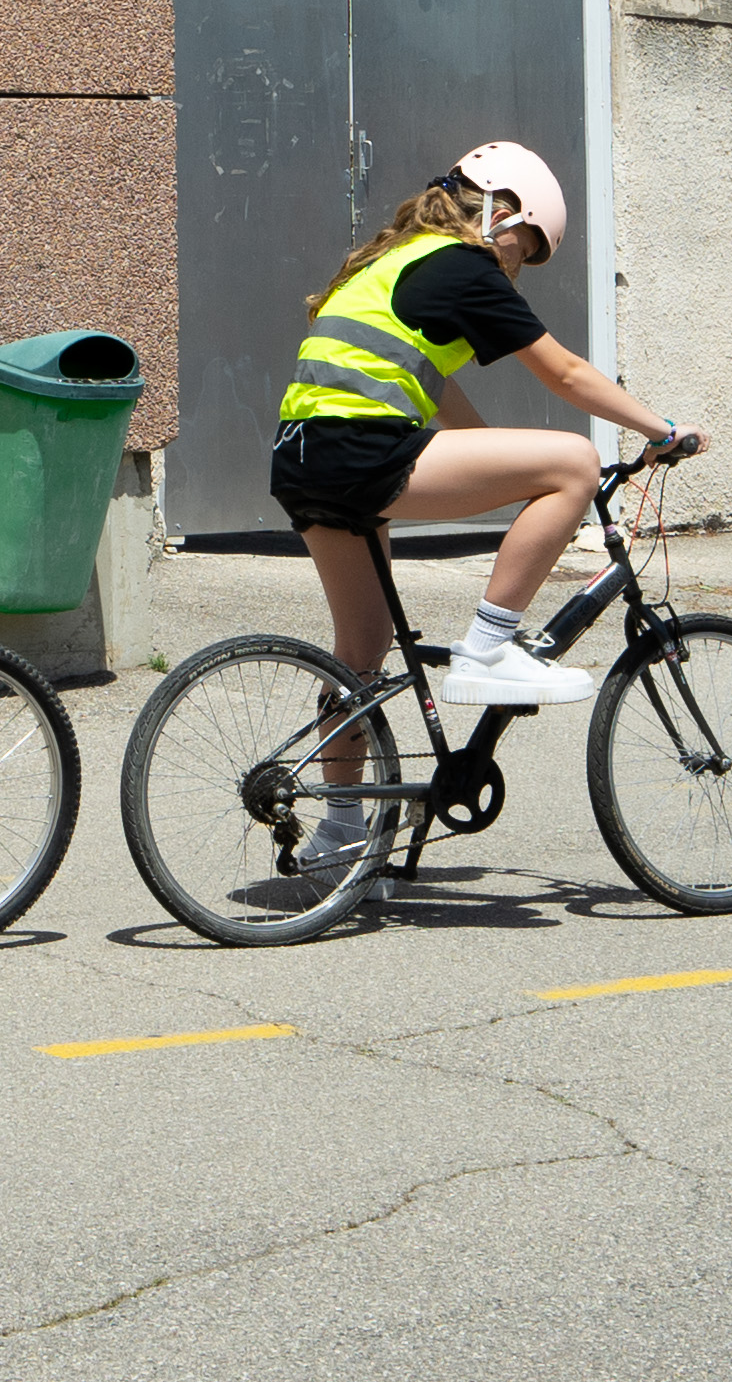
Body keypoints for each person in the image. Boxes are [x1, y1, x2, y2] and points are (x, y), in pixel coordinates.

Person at [267, 145, 681, 875]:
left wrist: (495, 463)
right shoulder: (465, 265)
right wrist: (660, 430)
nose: (519, 258)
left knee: (358, 655)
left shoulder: (394, 260)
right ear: (499, 209)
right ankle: (490, 644)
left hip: (303, 459)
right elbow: (567, 372)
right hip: (363, 453)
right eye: (524, 240)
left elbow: (432, 388)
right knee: (575, 462)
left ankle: (338, 834)